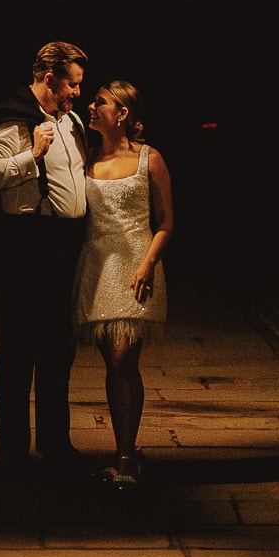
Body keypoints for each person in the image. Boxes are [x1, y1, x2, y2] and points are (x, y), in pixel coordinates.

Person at [0, 40, 91, 472]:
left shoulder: (71, 122)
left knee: (58, 346)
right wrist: (31, 155)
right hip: (28, 243)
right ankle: (13, 449)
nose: (77, 92)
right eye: (72, 84)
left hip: (65, 242)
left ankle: (55, 443)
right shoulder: (15, 124)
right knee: (18, 346)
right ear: (49, 78)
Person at [72, 79, 172, 487]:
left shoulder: (150, 158)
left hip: (135, 267)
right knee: (111, 365)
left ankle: (127, 459)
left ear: (123, 113)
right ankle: (124, 450)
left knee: (123, 359)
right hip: (97, 266)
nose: (91, 107)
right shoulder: (87, 156)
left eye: (100, 102)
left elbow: (166, 221)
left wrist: (148, 263)